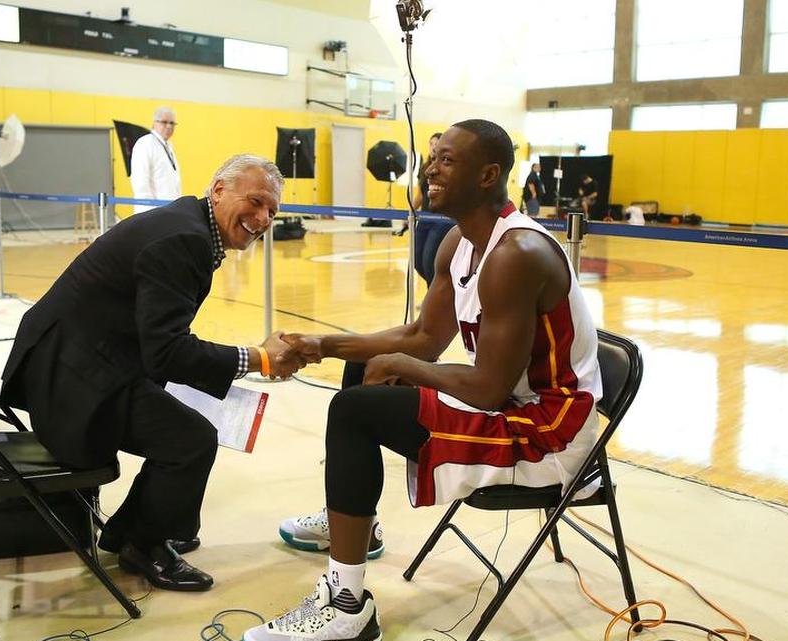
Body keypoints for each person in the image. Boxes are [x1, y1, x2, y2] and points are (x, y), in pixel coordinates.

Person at [244, 120, 602, 641]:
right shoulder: (459, 241)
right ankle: (353, 527)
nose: (430, 168)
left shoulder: (515, 254)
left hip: (550, 430)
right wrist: (324, 345)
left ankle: (347, 610)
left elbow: (486, 389)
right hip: (507, 400)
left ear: (488, 175)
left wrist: (403, 367)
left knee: (355, 410)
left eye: (447, 160)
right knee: (364, 368)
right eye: (432, 157)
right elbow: (421, 336)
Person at [2, 154, 304, 592]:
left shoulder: (190, 225)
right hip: (71, 381)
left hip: (79, 360)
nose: (263, 217)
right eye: (255, 201)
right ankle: (145, 546)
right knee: (190, 441)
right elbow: (166, 351)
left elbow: (158, 339)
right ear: (218, 190)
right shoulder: (186, 239)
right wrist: (259, 358)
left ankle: (130, 530)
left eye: (272, 211)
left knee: (180, 422)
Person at [410, 132, 456, 285]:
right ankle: (433, 292)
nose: (433, 147)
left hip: (442, 220)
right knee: (417, 260)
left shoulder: (448, 168)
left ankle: (434, 300)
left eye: (437, 144)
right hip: (424, 218)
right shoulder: (425, 168)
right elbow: (421, 194)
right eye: (431, 144)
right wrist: (411, 212)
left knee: (430, 262)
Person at [130, 106, 182, 213]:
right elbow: (141, 181)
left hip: (169, 209)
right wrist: (149, 212)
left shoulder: (168, 146)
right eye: (164, 122)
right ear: (154, 123)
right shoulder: (145, 143)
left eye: (172, 123)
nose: (168, 126)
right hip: (151, 211)